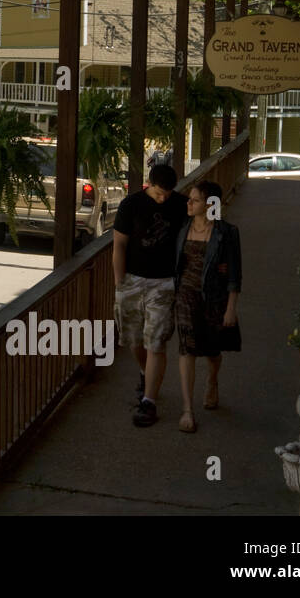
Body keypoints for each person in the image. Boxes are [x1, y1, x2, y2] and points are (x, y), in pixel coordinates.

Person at [112, 162, 189, 427]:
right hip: (132, 280)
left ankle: (149, 402)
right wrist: (119, 282)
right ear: (149, 184)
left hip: (164, 282)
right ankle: (145, 373)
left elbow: (204, 224)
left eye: (168, 193)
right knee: (134, 339)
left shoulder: (181, 204)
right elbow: (119, 245)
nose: (163, 198)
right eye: (159, 193)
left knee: (156, 340)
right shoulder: (130, 205)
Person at [173, 180, 242, 433]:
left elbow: (235, 274)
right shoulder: (183, 227)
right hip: (185, 296)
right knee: (186, 349)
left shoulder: (226, 233)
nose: (188, 203)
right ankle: (187, 409)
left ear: (210, 204)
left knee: (212, 351)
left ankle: (212, 381)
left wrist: (231, 308)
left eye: (195, 200)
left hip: (214, 297)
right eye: (189, 199)